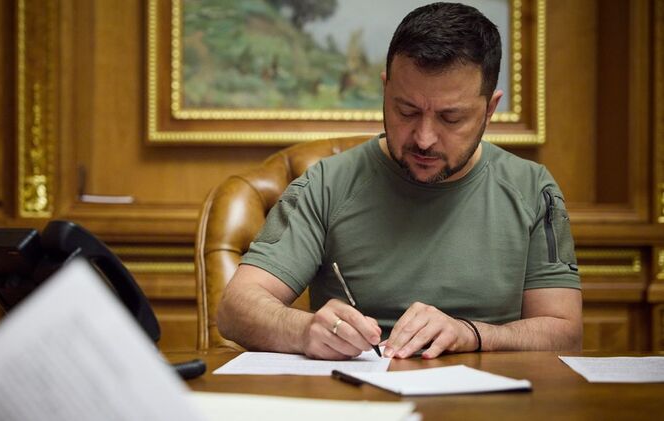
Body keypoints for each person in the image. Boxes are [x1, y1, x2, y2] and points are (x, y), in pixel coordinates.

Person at [217, 2, 582, 360]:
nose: (424, 138)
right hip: (357, 391)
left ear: (489, 109)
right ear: (385, 90)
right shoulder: (326, 184)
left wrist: (473, 334)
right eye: (406, 110)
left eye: (450, 118)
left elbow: (565, 331)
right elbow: (235, 309)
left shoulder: (532, 188)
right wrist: (303, 329)